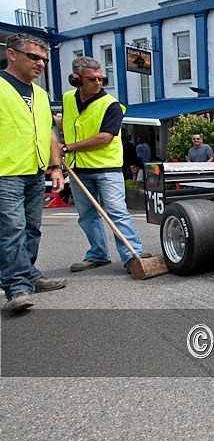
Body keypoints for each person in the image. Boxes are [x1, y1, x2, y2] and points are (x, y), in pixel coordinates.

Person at [60, 56, 151, 274]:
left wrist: (68, 147)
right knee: (87, 215)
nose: (99, 83)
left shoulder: (111, 105)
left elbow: (105, 138)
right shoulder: (67, 99)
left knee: (117, 212)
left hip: (106, 169)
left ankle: (132, 254)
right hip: (78, 169)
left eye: (102, 78)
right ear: (76, 80)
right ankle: (98, 254)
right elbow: (69, 121)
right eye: (92, 79)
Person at [1, 34, 67, 310]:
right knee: (12, 229)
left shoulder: (40, 95)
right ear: (12, 54)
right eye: (34, 57)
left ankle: (28, 274)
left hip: (35, 171)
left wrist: (56, 167)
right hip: (5, 172)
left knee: (31, 227)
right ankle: (16, 287)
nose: (40, 63)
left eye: (44, 59)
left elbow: (50, 134)